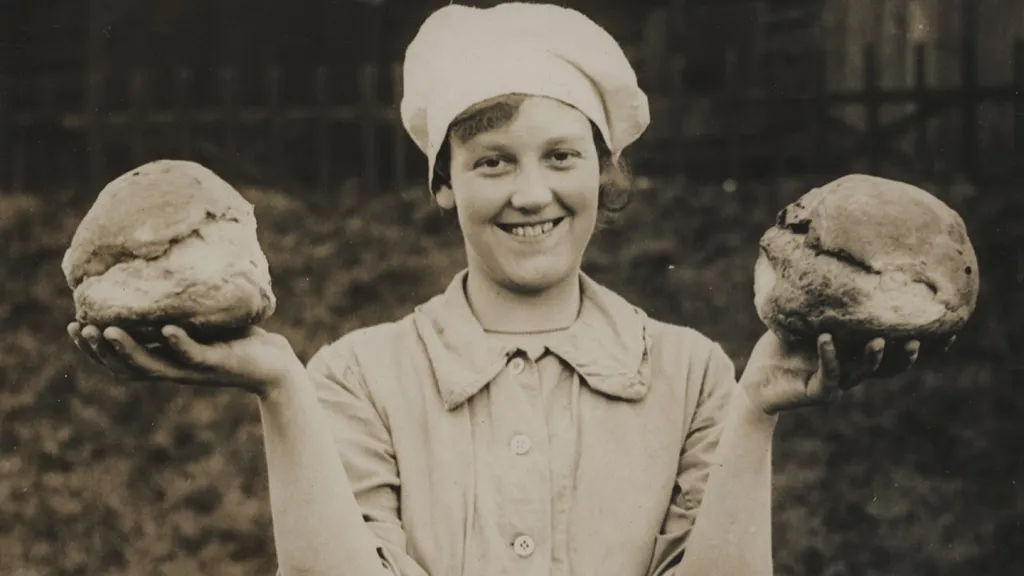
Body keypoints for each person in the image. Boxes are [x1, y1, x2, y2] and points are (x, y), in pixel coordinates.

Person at [67, 3, 942, 575]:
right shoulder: (358, 376)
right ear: (445, 184)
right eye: (492, 163)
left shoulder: (693, 375)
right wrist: (280, 389)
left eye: (562, 157)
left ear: (604, 175)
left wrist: (756, 414)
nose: (530, 193)